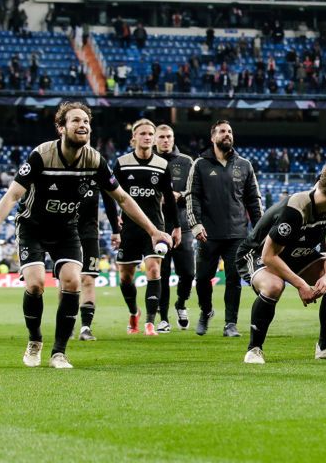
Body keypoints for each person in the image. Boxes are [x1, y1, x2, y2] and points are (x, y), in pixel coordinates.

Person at [0, 102, 172, 369]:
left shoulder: (94, 159)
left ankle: (59, 352)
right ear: (61, 127)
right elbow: (13, 195)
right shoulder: (41, 155)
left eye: (86, 121)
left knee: (73, 282)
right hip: (33, 228)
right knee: (35, 284)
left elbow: (122, 198)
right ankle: (34, 341)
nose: (83, 125)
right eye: (76, 120)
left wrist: (154, 230)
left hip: (67, 229)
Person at [237, 163, 326, 363]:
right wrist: (302, 285)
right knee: (274, 286)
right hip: (257, 252)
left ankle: (325, 347)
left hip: (295, 253)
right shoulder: (296, 209)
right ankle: (254, 349)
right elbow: (269, 256)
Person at [185, 120, 263, 337]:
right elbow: (192, 197)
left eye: (229, 131)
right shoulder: (199, 164)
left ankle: (231, 323)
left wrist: (260, 230)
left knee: (233, 280)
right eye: (222, 131)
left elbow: (254, 200)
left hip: (237, 234)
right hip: (206, 234)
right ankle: (206, 310)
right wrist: (196, 224)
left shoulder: (244, 165)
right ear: (213, 137)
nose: (227, 134)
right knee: (202, 279)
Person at [113, 120, 181, 337]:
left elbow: (169, 199)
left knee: (154, 270)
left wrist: (177, 227)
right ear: (133, 138)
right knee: (125, 276)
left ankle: (150, 323)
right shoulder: (122, 164)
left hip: (155, 228)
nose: (147, 137)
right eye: (142, 133)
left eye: (150, 134)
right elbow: (111, 192)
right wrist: (115, 217)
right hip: (129, 228)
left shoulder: (161, 165)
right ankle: (134, 312)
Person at [76, 154, 120, 342]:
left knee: (88, 279)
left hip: (89, 232)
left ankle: (86, 327)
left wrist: (116, 230)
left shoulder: (97, 165)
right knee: (65, 283)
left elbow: (110, 199)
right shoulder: (59, 165)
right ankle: (67, 324)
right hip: (63, 231)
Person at [156, 124, 196, 331]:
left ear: (173, 138)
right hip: (158, 224)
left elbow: (195, 187)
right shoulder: (150, 161)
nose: (165, 140)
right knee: (161, 273)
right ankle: (163, 318)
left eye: (168, 136)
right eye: (161, 136)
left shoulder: (186, 161)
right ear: (155, 139)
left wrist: (180, 195)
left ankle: (181, 303)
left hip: (183, 223)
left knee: (188, 272)